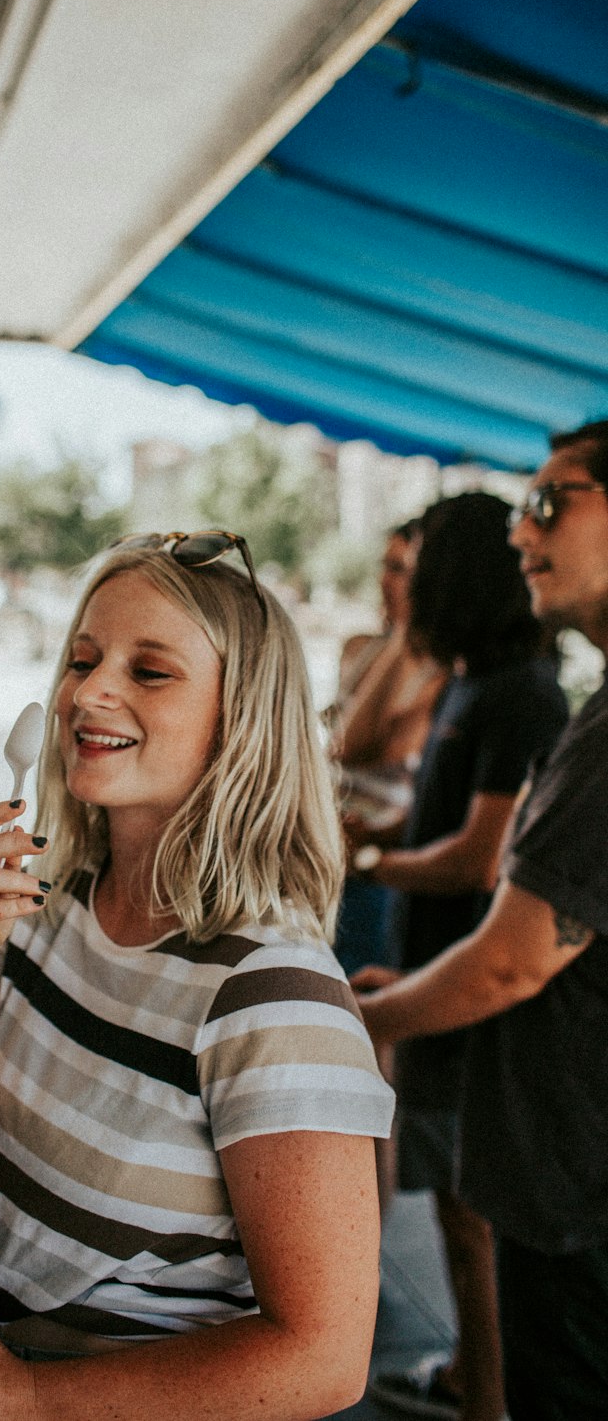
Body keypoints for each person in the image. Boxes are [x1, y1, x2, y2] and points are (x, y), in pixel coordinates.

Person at [0, 530, 394, 1421]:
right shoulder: (49, 900)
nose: (85, 693)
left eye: (150, 671)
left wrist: (30, 1395)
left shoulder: (274, 996)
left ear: (240, 719)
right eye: (83, 659)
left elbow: (324, 1359)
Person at [355, 420, 608, 1421]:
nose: (520, 534)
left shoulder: (565, 717)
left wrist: (372, 1020)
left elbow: (512, 961)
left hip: (576, 1185)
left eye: (550, 502)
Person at [330, 519, 447, 977]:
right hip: (329, 849)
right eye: (385, 566)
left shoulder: (441, 675)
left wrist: (407, 632)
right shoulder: (362, 648)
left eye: (401, 570)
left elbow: (352, 745)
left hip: (376, 867)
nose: (386, 580)